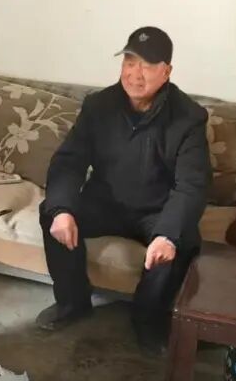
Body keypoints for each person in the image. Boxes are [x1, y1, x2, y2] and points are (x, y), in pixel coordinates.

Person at [36, 26, 211, 345]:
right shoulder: (98, 106)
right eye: (129, 63)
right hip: (105, 202)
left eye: (147, 65)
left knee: (182, 242)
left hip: (156, 210)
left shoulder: (189, 117)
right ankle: (73, 304)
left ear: (167, 71)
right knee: (52, 211)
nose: (135, 74)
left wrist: (167, 234)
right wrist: (62, 209)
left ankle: (148, 320)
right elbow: (69, 162)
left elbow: (192, 185)